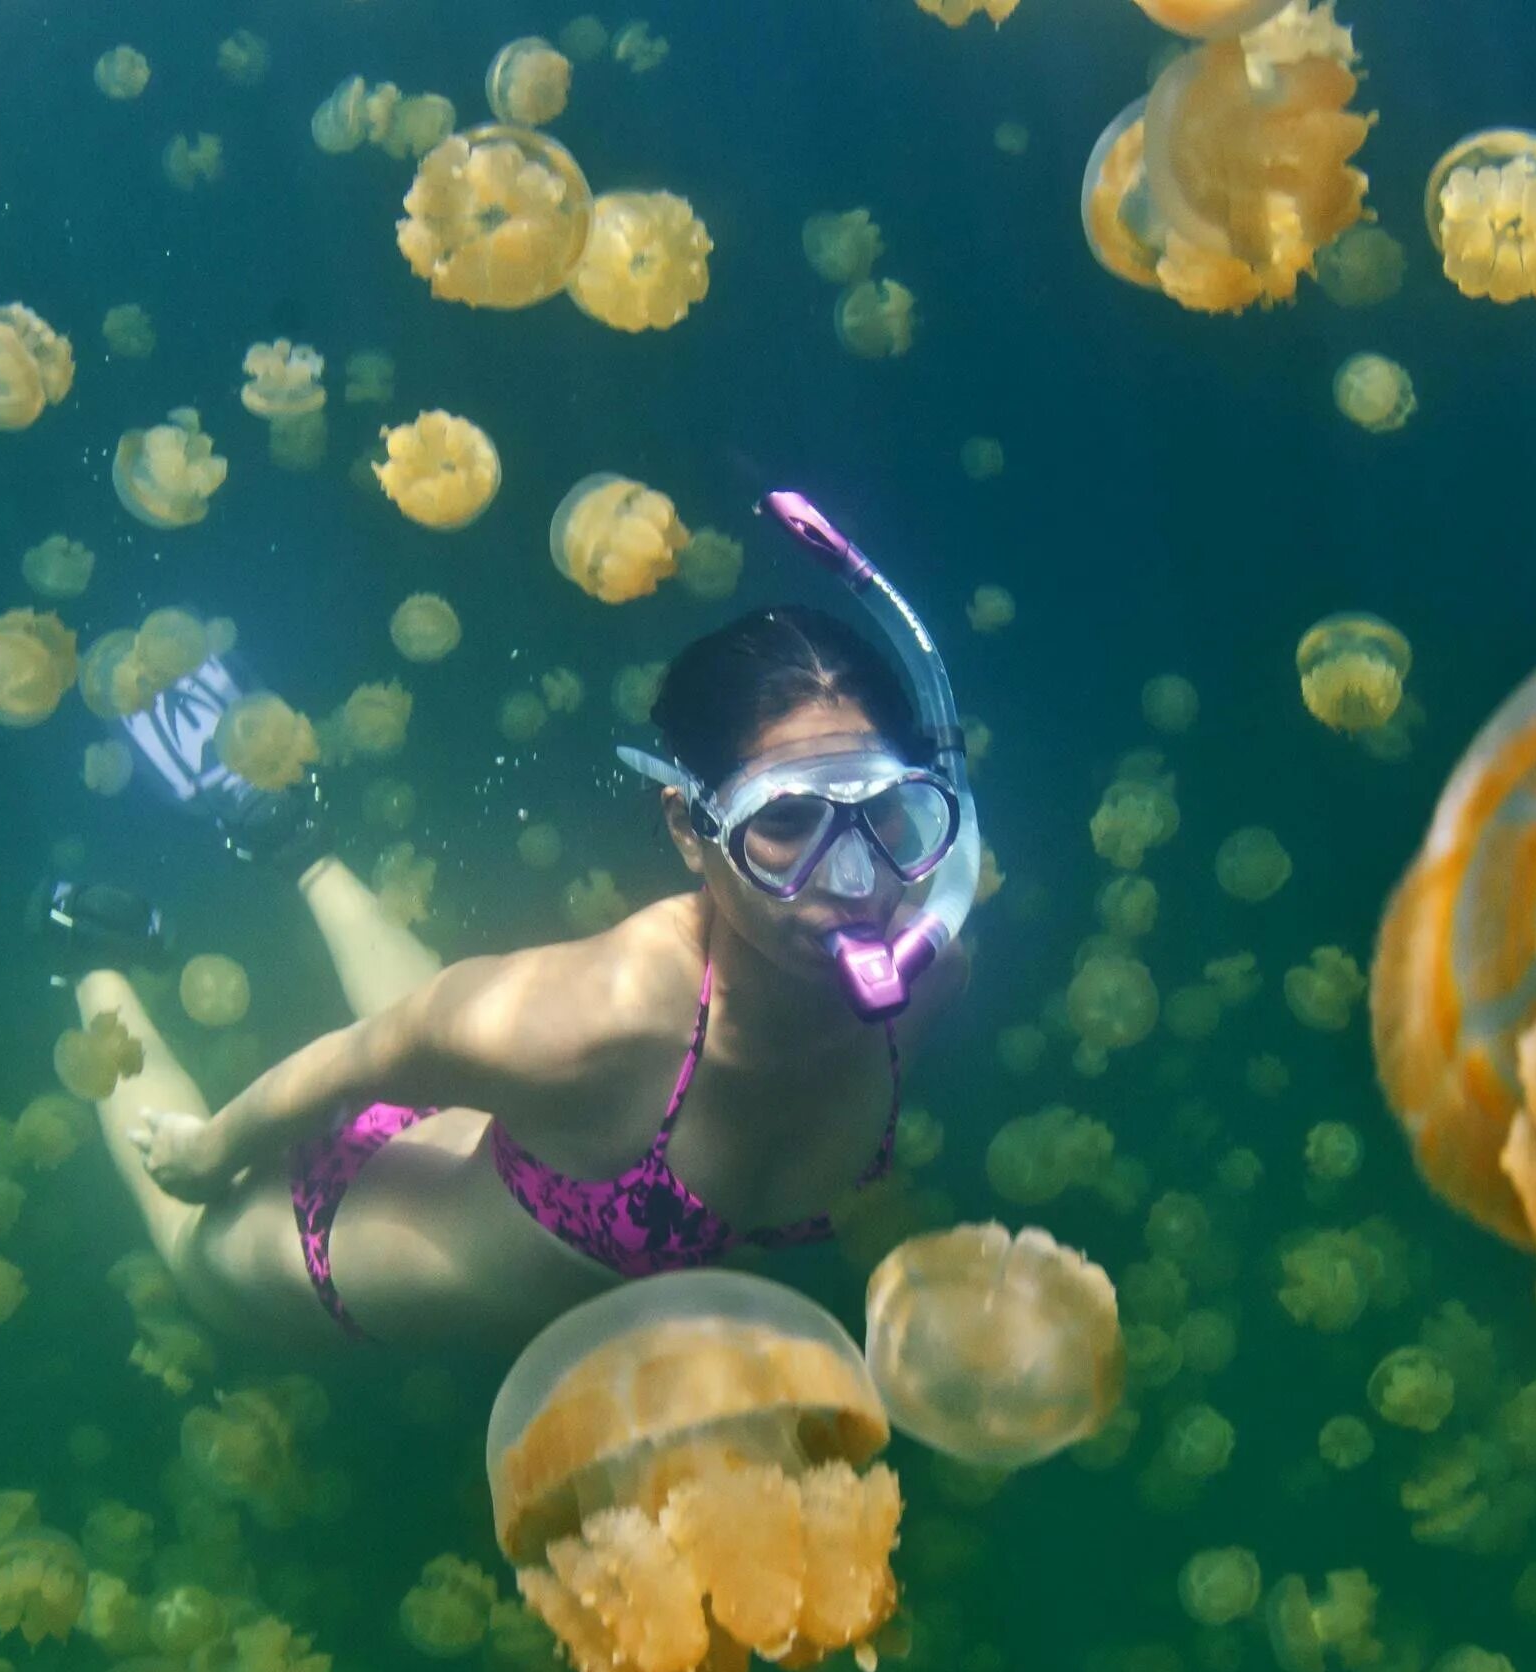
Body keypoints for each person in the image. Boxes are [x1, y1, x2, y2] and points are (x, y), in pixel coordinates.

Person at [70, 498, 978, 1360]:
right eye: (786, 822)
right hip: (359, 1230)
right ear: (688, 831)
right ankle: (90, 958)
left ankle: (299, 849)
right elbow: (384, 1048)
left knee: (474, 1056)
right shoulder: (603, 1017)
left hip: (530, 1130)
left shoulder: (933, 973)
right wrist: (208, 1149)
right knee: (190, 1250)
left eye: (887, 811)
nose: (853, 879)